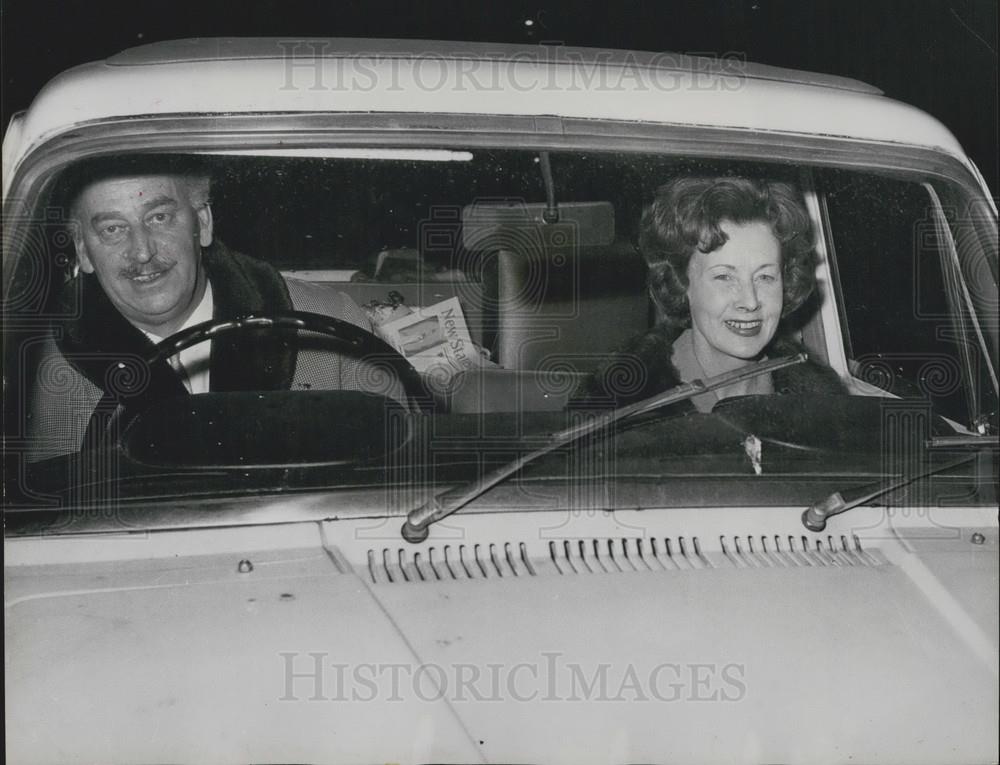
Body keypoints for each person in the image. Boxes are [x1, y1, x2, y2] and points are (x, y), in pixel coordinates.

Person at [27, 157, 405, 460]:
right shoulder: (42, 372)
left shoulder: (329, 325)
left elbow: (401, 481)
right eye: (112, 229)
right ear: (82, 250)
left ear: (203, 223)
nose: (142, 252)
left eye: (159, 217)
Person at [571, 176, 846, 410]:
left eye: (765, 277)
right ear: (682, 282)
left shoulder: (822, 404)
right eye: (724, 276)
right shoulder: (615, 405)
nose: (749, 301)